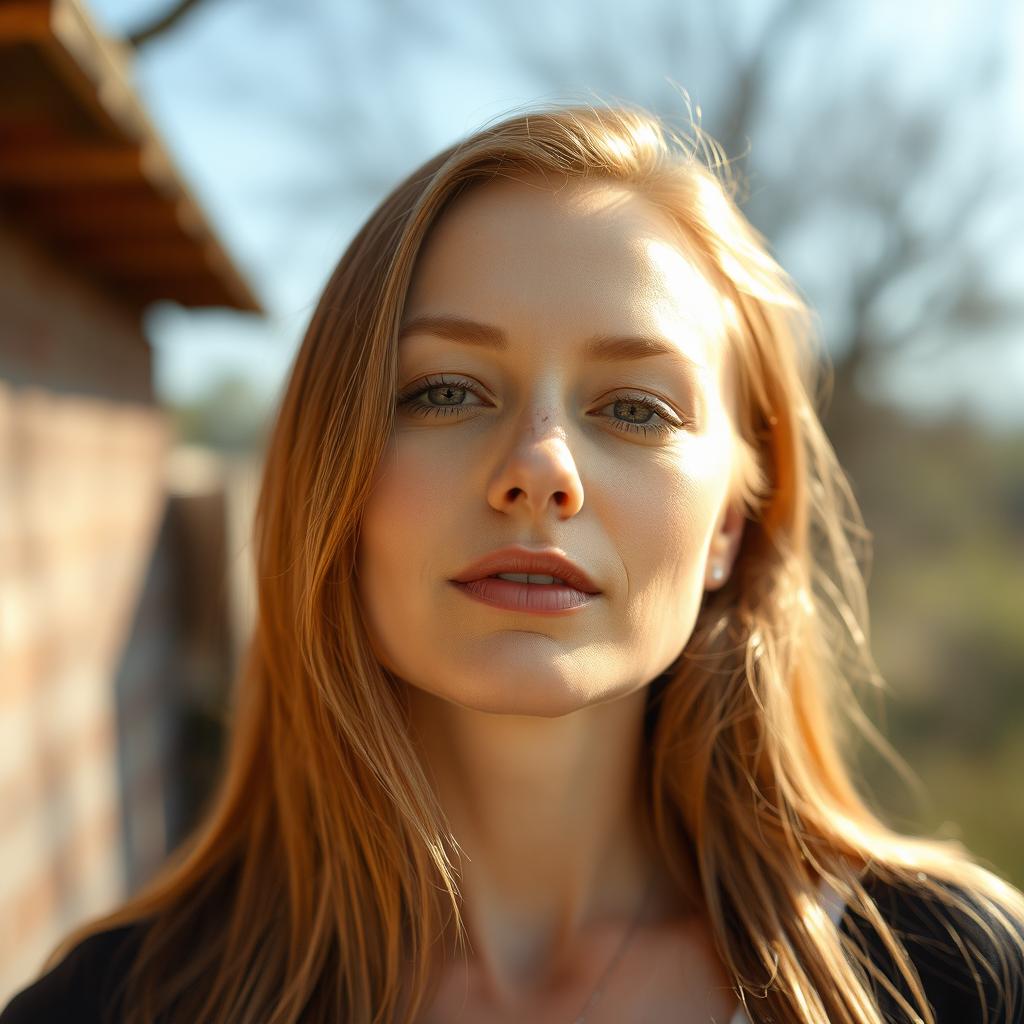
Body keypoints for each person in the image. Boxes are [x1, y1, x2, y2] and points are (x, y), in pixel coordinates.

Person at [3, 101, 1023, 1024]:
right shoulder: (112, 1007)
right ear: (335, 484)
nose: (540, 469)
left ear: (728, 528)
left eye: (634, 408)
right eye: (445, 391)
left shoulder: (961, 979)